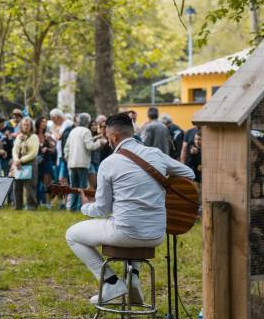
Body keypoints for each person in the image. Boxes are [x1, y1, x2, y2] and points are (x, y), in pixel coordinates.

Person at [66, 113, 195, 304]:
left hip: (126, 233)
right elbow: (189, 173)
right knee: (131, 222)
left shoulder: (109, 163)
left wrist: (86, 207)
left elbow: (102, 210)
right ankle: (133, 277)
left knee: (72, 235)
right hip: (156, 234)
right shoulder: (155, 154)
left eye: (107, 138)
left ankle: (111, 283)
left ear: (114, 137)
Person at [64, 113, 105, 212]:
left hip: (72, 163)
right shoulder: (86, 131)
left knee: (74, 187)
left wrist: (67, 157)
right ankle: (80, 207)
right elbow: (90, 146)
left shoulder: (73, 131)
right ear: (87, 122)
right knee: (82, 187)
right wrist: (100, 142)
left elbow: (66, 147)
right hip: (82, 163)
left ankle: (72, 208)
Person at [11, 118, 39, 210]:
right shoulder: (19, 137)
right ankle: (17, 206)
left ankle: (31, 206)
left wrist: (21, 160)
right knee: (17, 186)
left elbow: (34, 153)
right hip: (18, 163)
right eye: (24, 125)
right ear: (21, 126)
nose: (26, 126)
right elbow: (14, 150)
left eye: (28, 125)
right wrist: (16, 160)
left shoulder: (34, 137)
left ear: (31, 126)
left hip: (30, 163)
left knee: (30, 187)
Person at [34, 116, 56, 209]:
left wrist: (48, 147)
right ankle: (36, 202)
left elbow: (53, 150)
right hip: (36, 161)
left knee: (47, 183)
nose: (44, 123)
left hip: (47, 161)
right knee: (35, 183)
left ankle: (48, 203)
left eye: (45, 122)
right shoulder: (33, 135)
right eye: (42, 121)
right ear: (38, 123)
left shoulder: (47, 135)